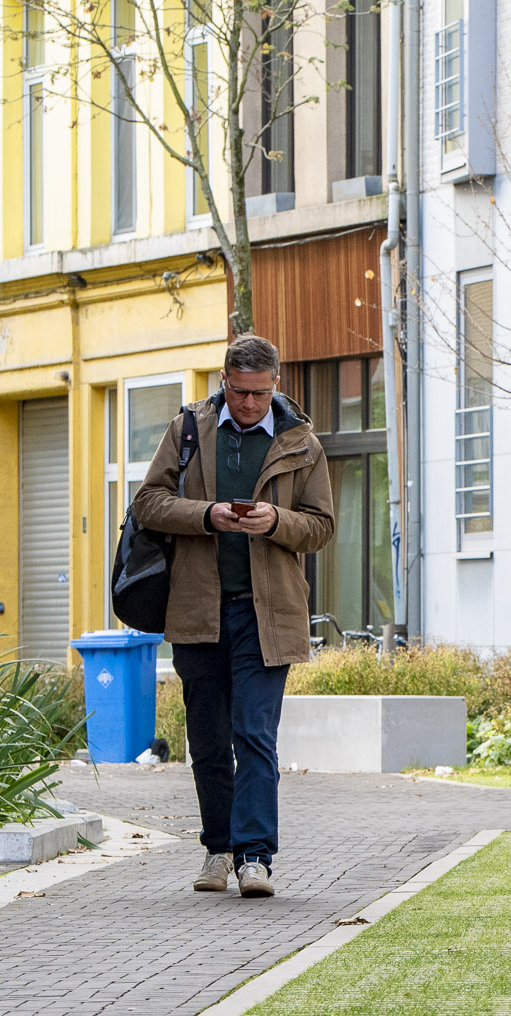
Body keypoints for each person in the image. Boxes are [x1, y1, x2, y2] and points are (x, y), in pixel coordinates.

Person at [133, 335, 334, 897]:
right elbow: (148, 502)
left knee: (255, 736)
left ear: (276, 383)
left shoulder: (302, 442)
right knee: (208, 739)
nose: (250, 404)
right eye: (240, 392)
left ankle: (255, 858)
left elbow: (321, 526)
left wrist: (275, 521)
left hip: (268, 615)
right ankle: (218, 849)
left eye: (261, 394)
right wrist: (207, 514)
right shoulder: (189, 429)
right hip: (198, 609)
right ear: (225, 379)